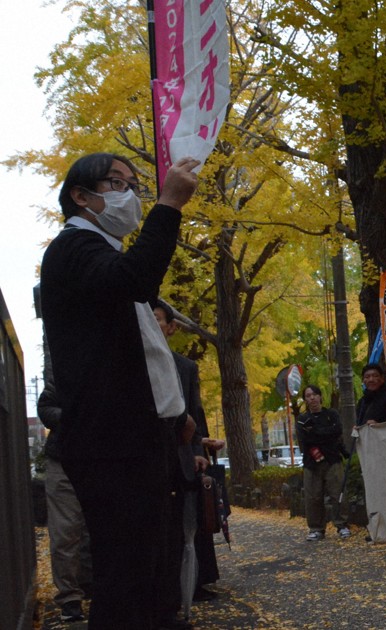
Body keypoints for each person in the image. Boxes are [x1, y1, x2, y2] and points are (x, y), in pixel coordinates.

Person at [40, 153, 200, 629]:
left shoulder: (101, 249)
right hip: (111, 443)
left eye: (134, 185)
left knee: (152, 566)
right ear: (81, 196)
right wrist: (169, 204)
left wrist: (174, 414)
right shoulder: (73, 249)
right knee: (126, 573)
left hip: (138, 437)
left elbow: (141, 350)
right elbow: (134, 278)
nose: (129, 195)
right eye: (115, 183)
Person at [152, 298, 211, 628]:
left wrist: (198, 448)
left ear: (171, 327)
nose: (153, 325)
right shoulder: (129, 361)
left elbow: (195, 413)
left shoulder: (186, 367)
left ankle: (179, 603)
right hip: (147, 460)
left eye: (158, 320)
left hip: (181, 458)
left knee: (182, 535)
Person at [36, 350, 92, 624]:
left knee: (100, 527)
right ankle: (70, 597)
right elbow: (45, 408)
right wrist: (73, 417)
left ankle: (95, 585)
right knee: (66, 530)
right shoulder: (65, 368)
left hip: (104, 460)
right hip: (64, 458)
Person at [297, 385, 350, 541]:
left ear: (320, 396)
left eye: (314, 394)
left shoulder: (331, 414)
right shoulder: (302, 419)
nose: (312, 398)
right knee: (313, 496)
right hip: (311, 462)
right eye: (308, 395)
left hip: (333, 459)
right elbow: (305, 440)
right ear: (305, 400)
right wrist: (325, 434)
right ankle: (316, 528)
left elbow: (337, 431)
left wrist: (316, 432)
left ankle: (342, 525)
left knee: (338, 493)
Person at [356, 362, 386, 427]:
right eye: (367, 377)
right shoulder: (362, 402)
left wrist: (380, 425)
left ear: (382, 378)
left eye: (375, 376)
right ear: (363, 380)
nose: (371, 380)